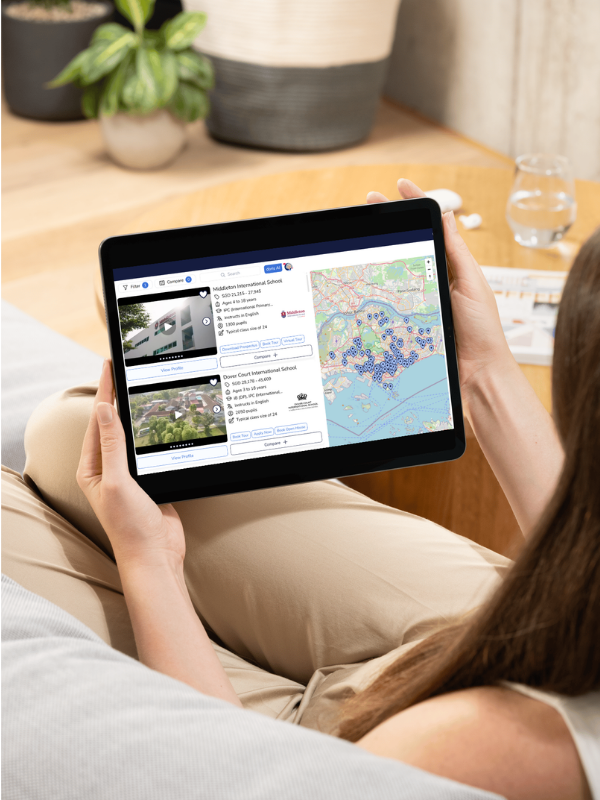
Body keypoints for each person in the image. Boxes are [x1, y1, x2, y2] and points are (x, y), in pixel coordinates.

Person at [2, 180, 598, 800]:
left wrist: (148, 560)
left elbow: (236, 775)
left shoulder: (487, 751)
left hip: (378, 734)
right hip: (528, 619)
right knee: (74, 429)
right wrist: (482, 367)